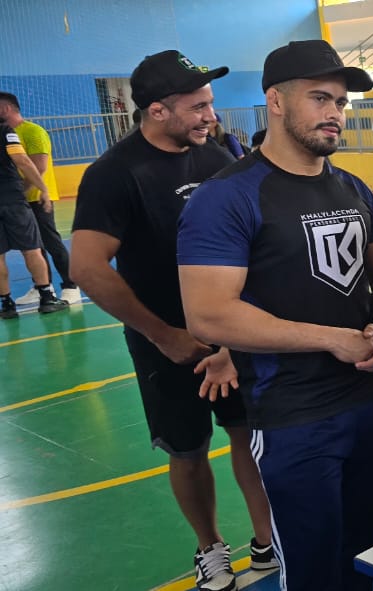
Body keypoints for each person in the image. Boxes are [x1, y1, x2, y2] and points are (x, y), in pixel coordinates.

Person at [175, 40, 373, 591]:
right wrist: (332, 339)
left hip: (368, 406)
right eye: (320, 97)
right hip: (292, 417)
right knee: (313, 568)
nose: (335, 113)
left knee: (363, 554)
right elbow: (208, 316)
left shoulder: (352, 188)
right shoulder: (226, 197)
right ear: (275, 101)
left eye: (342, 102)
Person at [68, 50, 276, 591]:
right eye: (199, 106)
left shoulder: (220, 159)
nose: (212, 115)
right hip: (167, 345)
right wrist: (165, 337)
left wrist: (236, 328)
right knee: (187, 450)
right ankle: (210, 548)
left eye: (210, 103)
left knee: (247, 435)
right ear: (157, 111)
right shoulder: (114, 174)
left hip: (232, 335)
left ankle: (265, 538)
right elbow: (88, 268)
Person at [0, 92, 80, 305]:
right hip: (17, 200)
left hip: (35, 197)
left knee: (51, 242)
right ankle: (42, 286)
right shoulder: (6, 133)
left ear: (5, 108)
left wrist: (23, 193)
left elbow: (39, 167)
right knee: (33, 247)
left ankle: (71, 285)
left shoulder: (33, 131)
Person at [0, 120, 63, 318]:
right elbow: (22, 160)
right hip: (12, 199)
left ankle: (6, 304)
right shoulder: (4, 130)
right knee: (31, 250)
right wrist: (43, 188)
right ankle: (46, 296)